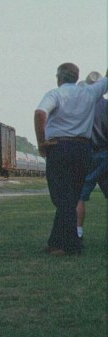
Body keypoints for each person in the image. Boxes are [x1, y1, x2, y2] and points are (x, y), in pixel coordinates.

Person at [33, 62, 108, 255]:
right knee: (71, 196)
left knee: (61, 197)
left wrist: (41, 142)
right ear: (76, 77)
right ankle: (55, 242)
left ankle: (71, 246)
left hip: (59, 147)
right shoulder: (90, 93)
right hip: (83, 148)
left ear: (59, 78)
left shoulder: (55, 94)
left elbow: (40, 113)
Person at [76, 72, 108, 246]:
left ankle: (78, 233)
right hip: (106, 153)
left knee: (80, 195)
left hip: (89, 153)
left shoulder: (83, 106)